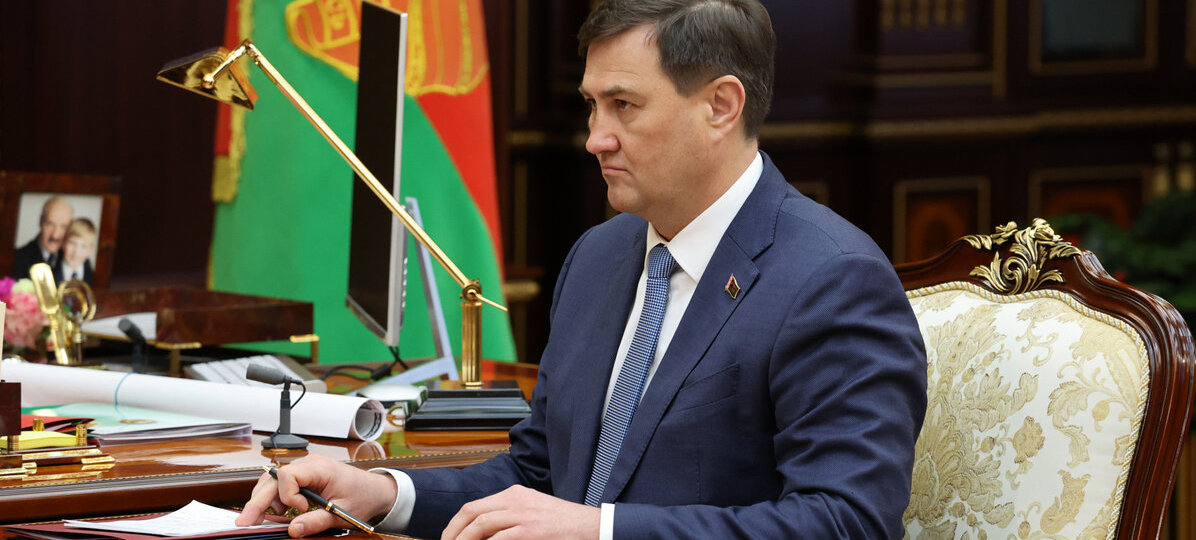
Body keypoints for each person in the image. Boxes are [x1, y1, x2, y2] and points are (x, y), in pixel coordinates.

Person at [237, 1, 928, 538]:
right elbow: (540, 474)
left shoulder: (832, 281)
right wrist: (386, 493)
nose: (596, 138)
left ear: (721, 105)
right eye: (592, 105)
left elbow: (845, 522)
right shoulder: (599, 256)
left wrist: (600, 531)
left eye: (624, 105)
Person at [12, 196, 73, 280]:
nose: (55, 235)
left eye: (63, 226)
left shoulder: (77, 258)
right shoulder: (17, 259)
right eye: (50, 224)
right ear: (41, 221)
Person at [60, 218, 96, 284]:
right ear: (63, 243)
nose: (76, 252)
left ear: (90, 250)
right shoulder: (50, 272)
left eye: (83, 246)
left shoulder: (94, 277)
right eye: (72, 243)